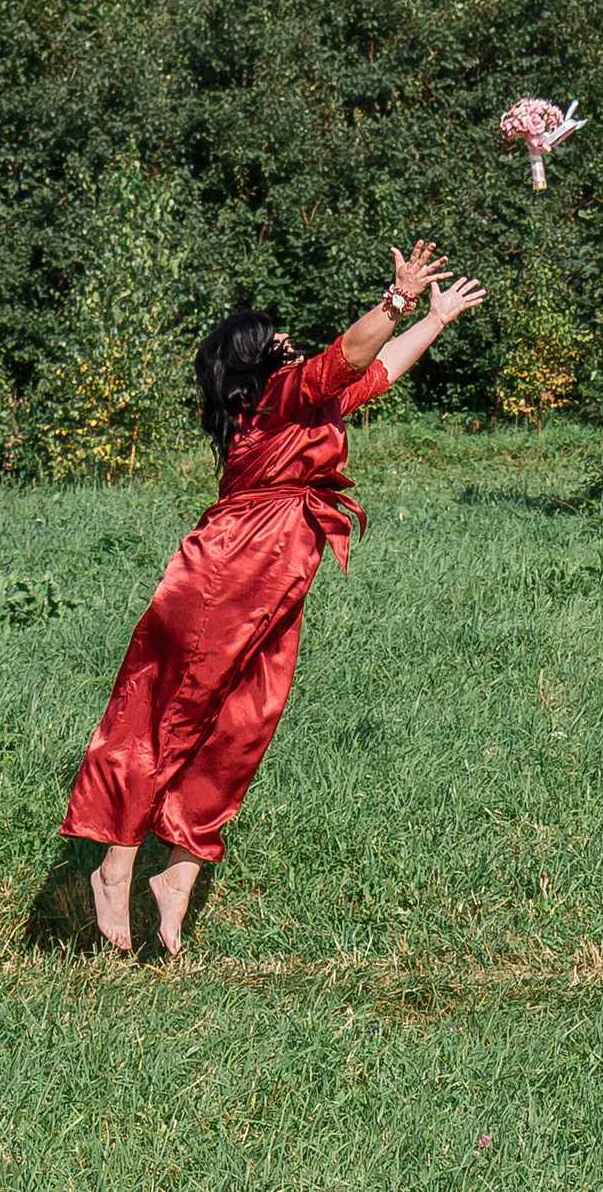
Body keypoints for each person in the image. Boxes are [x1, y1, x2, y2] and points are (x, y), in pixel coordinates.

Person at [64, 242, 485, 954]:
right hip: (226, 574)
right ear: (253, 362)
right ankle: (115, 866)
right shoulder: (274, 402)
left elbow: (376, 370)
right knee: (169, 717)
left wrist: (434, 320)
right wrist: (398, 298)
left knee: (244, 726)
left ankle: (178, 874)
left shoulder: (305, 407)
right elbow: (352, 352)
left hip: (278, 576)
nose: (291, 346)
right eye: (279, 342)